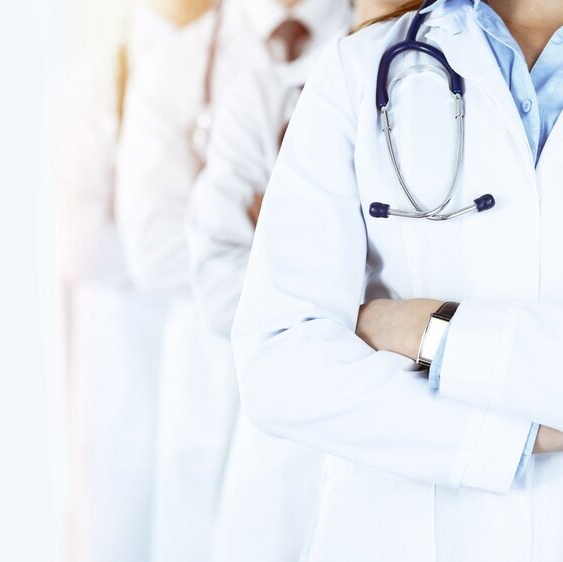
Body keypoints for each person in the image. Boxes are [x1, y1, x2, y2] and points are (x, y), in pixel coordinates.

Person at [230, 0, 563, 560]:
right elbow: (279, 363)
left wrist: (428, 332)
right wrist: (523, 438)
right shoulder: (358, 70)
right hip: (401, 532)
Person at [115, 0, 350, 560]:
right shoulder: (177, 67)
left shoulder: (374, 46)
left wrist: (262, 230)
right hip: (206, 385)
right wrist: (334, 278)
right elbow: (156, 253)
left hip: (332, 417)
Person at [184, 0, 358, 560]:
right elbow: (218, 289)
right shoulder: (266, 94)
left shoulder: (467, 92)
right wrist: (396, 323)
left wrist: (300, 279)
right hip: (284, 467)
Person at [55, 36, 166, 562]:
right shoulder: (106, 70)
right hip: (122, 363)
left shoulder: (235, 58)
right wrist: (185, 252)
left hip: (201, 370)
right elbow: (82, 244)